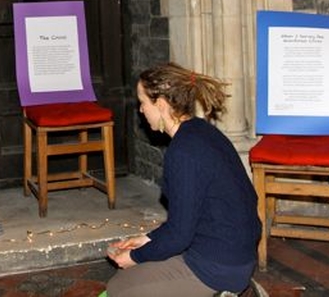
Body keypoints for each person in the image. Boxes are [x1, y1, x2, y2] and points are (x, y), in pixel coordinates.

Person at [105, 62, 261, 297]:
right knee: (135, 274)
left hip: (219, 267)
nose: (140, 110)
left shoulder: (183, 152)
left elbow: (179, 235)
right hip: (237, 255)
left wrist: (135, 257)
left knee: (118, 288)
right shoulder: (203, 131)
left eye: (143, 103)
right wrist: (145, 239)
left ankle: (224, 293)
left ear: (160, 104)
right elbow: (188, 219)